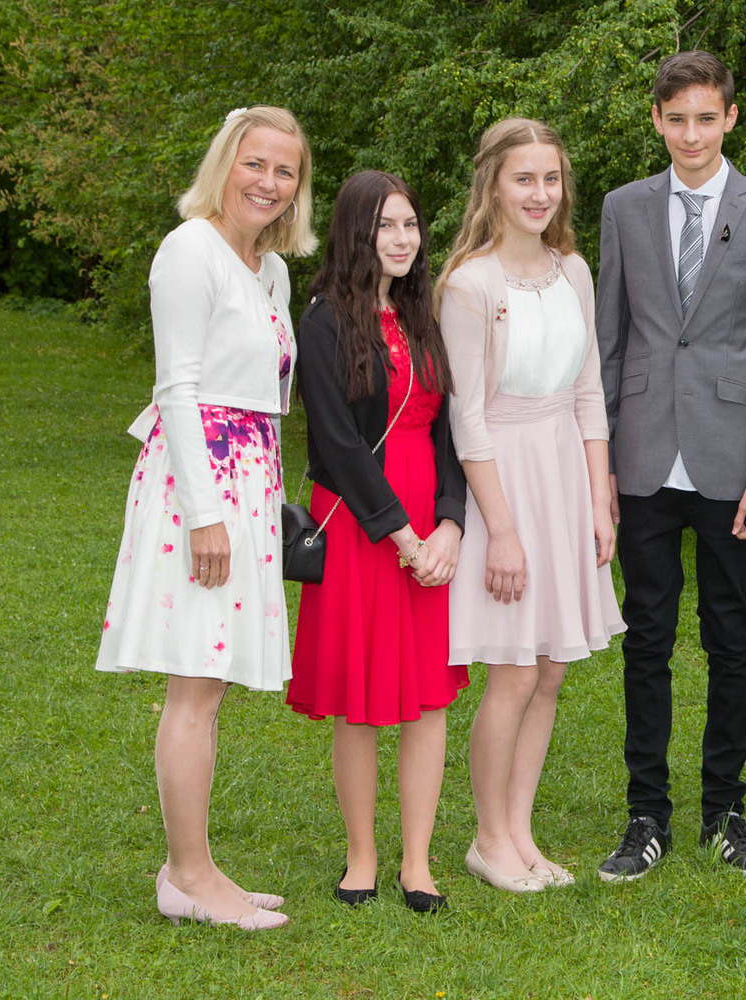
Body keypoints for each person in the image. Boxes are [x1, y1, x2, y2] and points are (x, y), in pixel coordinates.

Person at [95, 105, 315, 929]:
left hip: (248, 480)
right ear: (225, 163)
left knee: (210, 683)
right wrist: (205, 514)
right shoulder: (189, 251)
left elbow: (265, 394)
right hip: (203, 486)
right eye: (254, 163)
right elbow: (178, 387)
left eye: (285, 170)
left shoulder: (270, 270)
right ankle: (188, 877)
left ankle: (194, 867)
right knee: (194, 683)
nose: (268, 182)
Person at [594, 49, 746, 880]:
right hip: (643, 457)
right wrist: (602, 465)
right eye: (677, 119)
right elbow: (610, 343)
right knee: (646, 636)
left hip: (731, 460)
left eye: (706, 118)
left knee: (731, 637)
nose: (692, 134)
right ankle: (645, 812)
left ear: (731, 118)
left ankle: (726, 811)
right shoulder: (624, 208)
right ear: (657, 120)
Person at [438, 118, 625, 894]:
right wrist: (503, 532)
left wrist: (600, 498)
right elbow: (467, 417)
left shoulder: (573, 270)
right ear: (493, 185)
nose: (540, 193)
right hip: (503, 484)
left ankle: (519, 831)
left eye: (551, 179)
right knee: (513, 671)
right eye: (524, 179)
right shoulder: (469, 285)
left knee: (550, 669)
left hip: (565, 476)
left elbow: (589, 392)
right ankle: (487, 839)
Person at [286, 170, 467, 913]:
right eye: (384, 226)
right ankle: (361, 854)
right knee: (358, 699)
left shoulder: (423, 316)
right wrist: (402, 537)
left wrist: (450, 522)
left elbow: (450, 429)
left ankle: (417, 861)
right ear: (354, 234)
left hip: (428, 515)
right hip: (363, 522)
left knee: (427, 698)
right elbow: (336, 441)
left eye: (410, 225)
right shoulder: (324, 320)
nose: (401, 239)